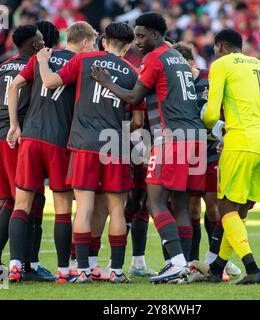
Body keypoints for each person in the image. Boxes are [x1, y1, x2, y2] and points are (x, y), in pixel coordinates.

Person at [91, 12, 206, 284]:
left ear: (156, 34)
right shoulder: (177, 57)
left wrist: (106, 81)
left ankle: (176, 262)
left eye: (141, 35)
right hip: (195, 136)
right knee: (179, 203)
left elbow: (134, 96)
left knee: (155, 201)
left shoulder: (154, 58)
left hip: (171, 136)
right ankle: (186, 265)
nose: (137, 41)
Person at [37, 22, 145, 284]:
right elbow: (139, 122)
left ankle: (82, 270)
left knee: (83, 207)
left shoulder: (84, 60)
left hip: (84, 143)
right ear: (128, 45)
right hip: (116, 145)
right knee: (116, 208)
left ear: (104, 40)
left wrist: (41, 60)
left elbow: (50, 82)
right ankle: (117, 271)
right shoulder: (133, 73)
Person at [188, 28, 260, 285]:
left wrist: (217, 125)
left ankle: (252, 268)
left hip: (240, 141)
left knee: (225, 208)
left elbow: (210, 115)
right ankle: (217, 266)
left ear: (220, 46)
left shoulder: (221, 65)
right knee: (240, 211)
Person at [6, 21, 98, 284]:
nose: (92, 48)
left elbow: (13, 88)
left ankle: (14, 266)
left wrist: (15, 125)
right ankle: (62, 271)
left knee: (21, 204)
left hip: (31, 137)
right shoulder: (84, 63)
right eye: (92, 43)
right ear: (83, 42)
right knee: (62, 210)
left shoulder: (40, 57)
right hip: (60, 142)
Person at [0, 24, 52, 281]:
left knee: (2, 199)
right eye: (41, 40)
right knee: (20, 200)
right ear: (34, 45)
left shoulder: (3, 65)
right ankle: (17, 264)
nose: (45, 43)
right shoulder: (35, 66)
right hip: (17, 136)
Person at [172, 41, 242, 280]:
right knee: (192, 209)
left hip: (211, 152)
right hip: (189, 153)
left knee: (214, 208)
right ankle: (193, 262)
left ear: (192, 63)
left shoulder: (209, 81)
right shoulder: (174, 84)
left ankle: (214, 261)